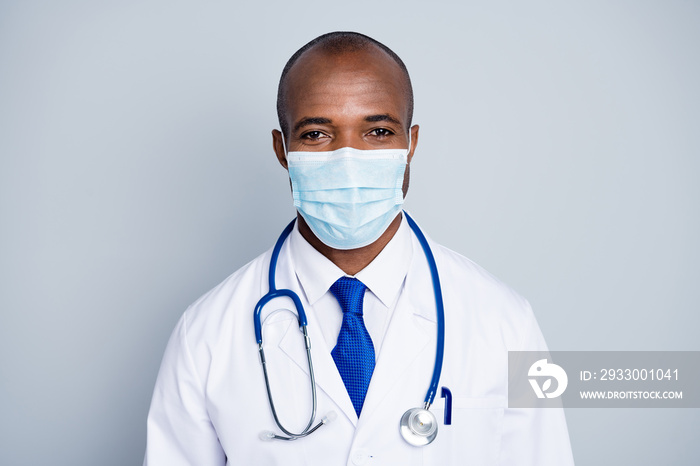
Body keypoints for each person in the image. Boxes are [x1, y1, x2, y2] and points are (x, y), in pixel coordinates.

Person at [143, 31, 575, 465]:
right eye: (316, 134)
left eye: (378, 131)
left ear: (411, 144)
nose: (347, 159)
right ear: (282, 149)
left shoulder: (505, 322)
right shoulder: (206, 335)